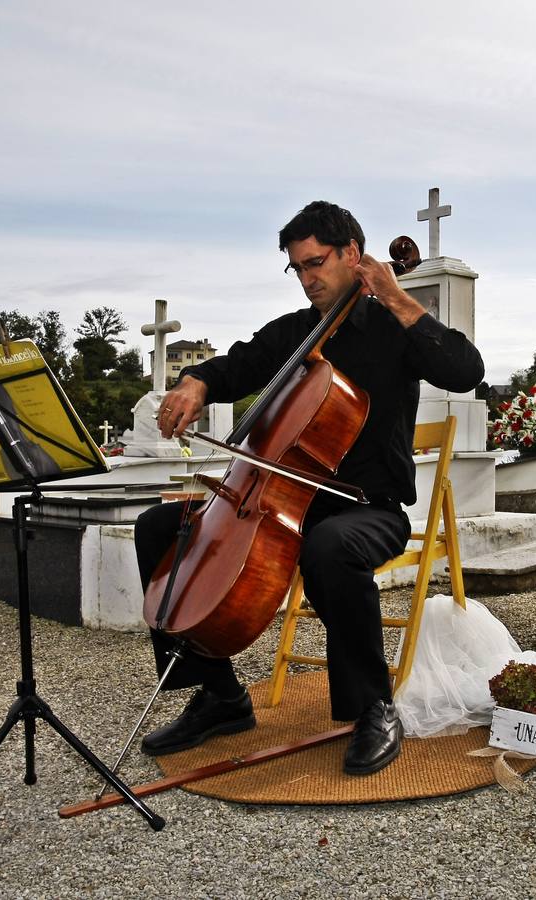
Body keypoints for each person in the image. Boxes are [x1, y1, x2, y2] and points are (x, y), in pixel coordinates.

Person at [134, 201, 484, 776]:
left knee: (330, 547)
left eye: (316, 262)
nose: (308, 278)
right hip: (276, 504)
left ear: (354, 255)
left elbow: (466, 370)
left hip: (365, 509)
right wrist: (196, 382)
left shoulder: (393, 331)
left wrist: (396, 297)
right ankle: (221, 696)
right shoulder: (296, 334)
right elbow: (238, 364)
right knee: (156, 528)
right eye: (297, 268)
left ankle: (372, 708)